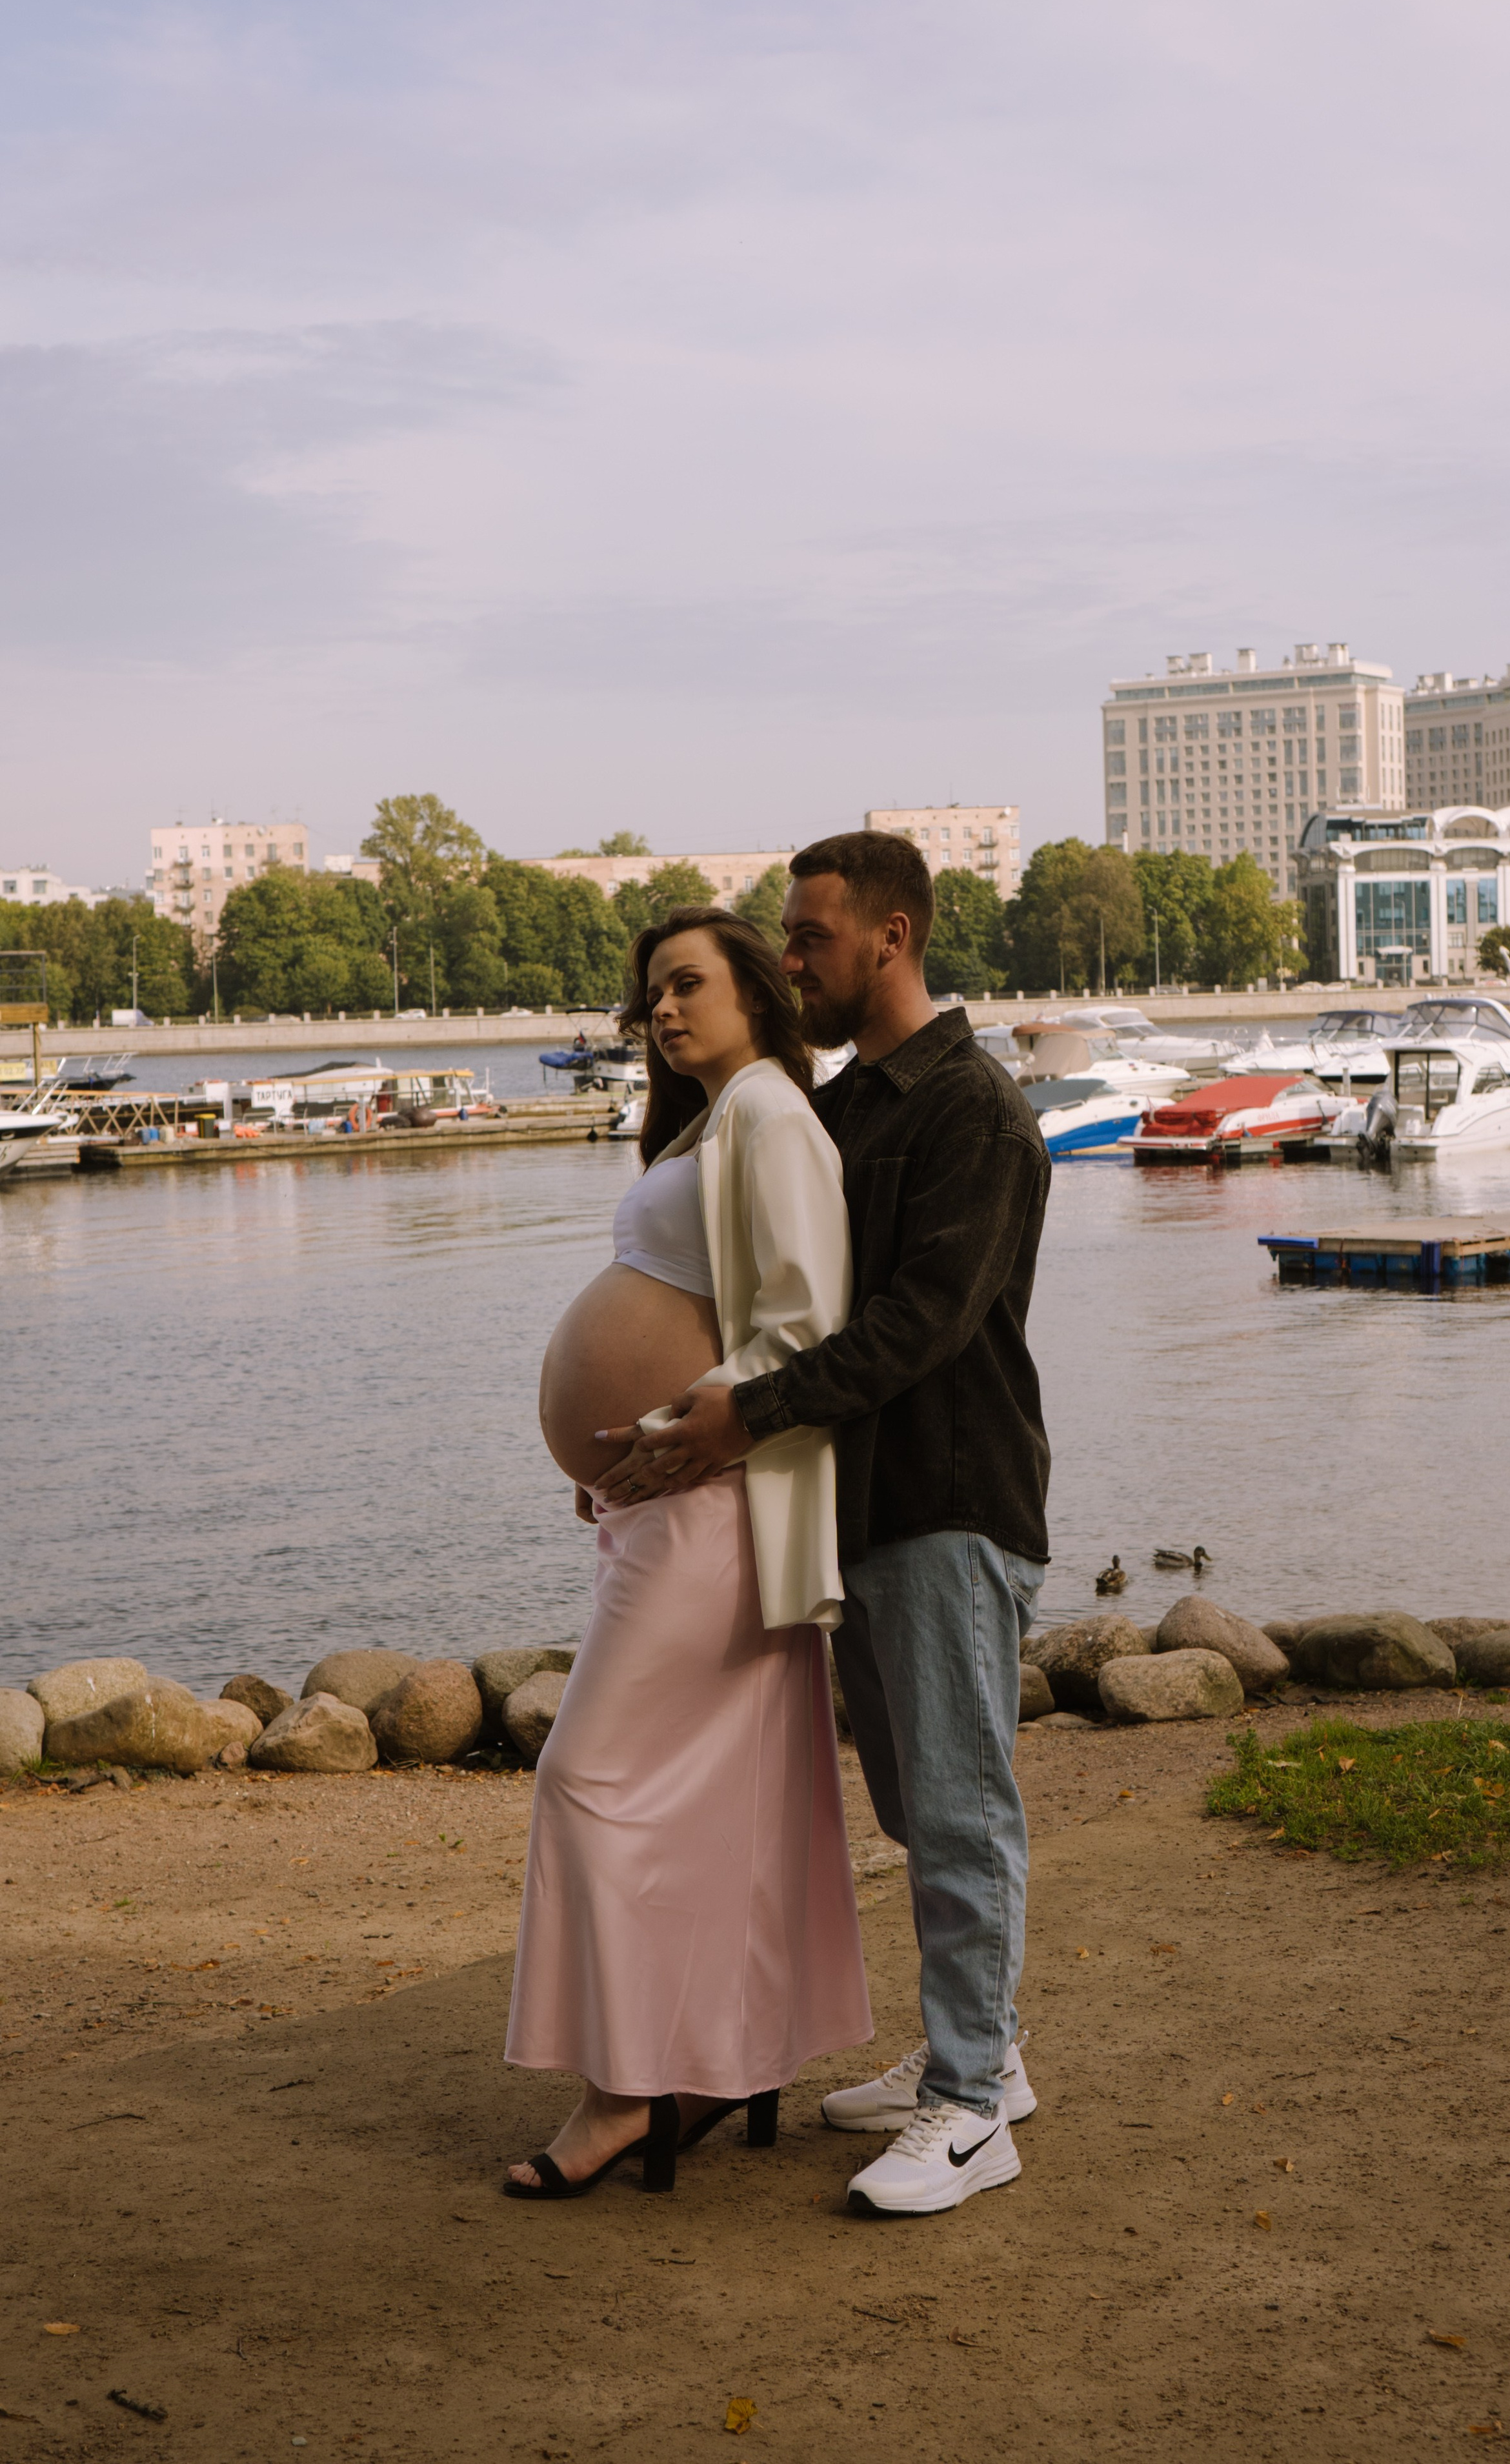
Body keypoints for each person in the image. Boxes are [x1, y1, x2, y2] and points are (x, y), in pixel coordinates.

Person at [594, 833, 1051, 2218]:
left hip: (948, 1498)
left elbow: (917, 1324)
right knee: (916, 1805)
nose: (789, 961)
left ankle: (972, 2111)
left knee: (961, 1807)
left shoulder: (971, 1106)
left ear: (892, 937)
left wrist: (745, 1416)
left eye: (808, 937)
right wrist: (666, 1422)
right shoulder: (844, 1107)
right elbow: (768, 1301)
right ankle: (988, 2059)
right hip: (857, 1507)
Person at [503, 906, 872, 2200]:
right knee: (720, 1802)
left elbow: (807, 1318)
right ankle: (719, 2059)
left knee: (586, 1779)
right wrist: (614, 1463)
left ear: (756, 996)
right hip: (664, 1506)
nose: (660, 1010)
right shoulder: (719, 1121)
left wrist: (670, 1428)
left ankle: (623, 2091)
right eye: (649, 993)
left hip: (713, 1506)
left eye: (685, 985)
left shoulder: (771, 1116)